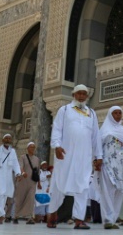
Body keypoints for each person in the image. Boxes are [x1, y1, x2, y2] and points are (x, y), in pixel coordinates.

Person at [48, 84, 102, 230]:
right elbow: (57, 129)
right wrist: (56, 146)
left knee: (83, 186)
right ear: (73, 95)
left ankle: (79, 219)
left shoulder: (91, 113)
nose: (81, 96)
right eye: (79, 93)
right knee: (60, 184)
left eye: (84, 94)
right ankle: (52, 213)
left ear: (87, 96)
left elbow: (96, 136)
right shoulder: (64, 110)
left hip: (84, 157)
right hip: (65, 155)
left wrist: (99, 156)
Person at [0, 134, 22, 224]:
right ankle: (1, 215)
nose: (7, 140)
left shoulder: (13, 152)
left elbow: (15, 164)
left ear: (11, 140)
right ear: (3, 140)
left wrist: (18, 173)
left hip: (8, 178)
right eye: (6, 138)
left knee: (4, 197)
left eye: (9, 138)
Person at [14, 142, 41, 224]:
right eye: (31, 147)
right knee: (20, 198)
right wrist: (23, 173)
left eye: (34, 147)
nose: (32, 149)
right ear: (27, 148)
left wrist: (39, 183)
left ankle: (29, 217)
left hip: (32, 182)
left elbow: (38, 171)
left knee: (31, 199)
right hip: (23, 181)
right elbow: (20, 166)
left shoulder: (37, 159)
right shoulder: (23, 157)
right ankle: (16, 216)